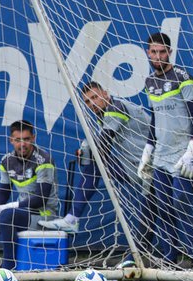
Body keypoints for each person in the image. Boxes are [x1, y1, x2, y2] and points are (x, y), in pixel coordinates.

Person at [38, 81, 151, 267]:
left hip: (147, 167)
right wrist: (87, 149)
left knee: (161, 214)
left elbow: (104, 145)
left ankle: (73, 218)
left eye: (95, 97)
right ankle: (147, 261)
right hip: (137, 166)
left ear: (106, 93)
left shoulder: (116, 107)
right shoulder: (105, 114)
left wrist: (88, 152)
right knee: (154, 215)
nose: (92, 104)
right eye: (88, 102)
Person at [137, 32, 193, 268]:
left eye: (162, 51)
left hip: (182, 154)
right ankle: (170, 258)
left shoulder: (183, 77)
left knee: (181, 202)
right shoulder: (148, 82)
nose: (158, 56)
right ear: (148, 53)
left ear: (170, 52)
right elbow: (155, 119)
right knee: (163, 206)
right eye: (153, 52)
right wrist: (148, 149)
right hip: (161, 156)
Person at [0, 120, 58, 270]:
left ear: (33, 138)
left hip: (44, 215)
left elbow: (41, 199)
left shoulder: (44, 160)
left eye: (26, 139)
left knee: (7, 216)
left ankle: (9, 269)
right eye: (18, 140)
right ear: (11, 141)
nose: (23, 144)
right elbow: (3, 193)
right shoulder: (6, 161)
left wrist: (6, 207)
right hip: (21, 213)